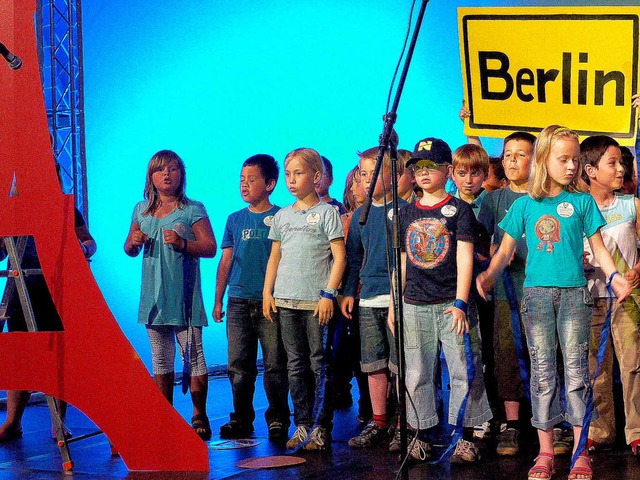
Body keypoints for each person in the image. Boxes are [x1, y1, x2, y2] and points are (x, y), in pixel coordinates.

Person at [477, 125, 632, 480]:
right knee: (543, 374)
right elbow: (505, 250)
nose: (571, 166)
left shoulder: (581, 202)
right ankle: (545, 451)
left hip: (575, 296)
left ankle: (580, 452)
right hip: (537, 297)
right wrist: (489, 275)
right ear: (544, 159)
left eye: (575, 160)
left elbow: (600, 247)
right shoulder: (524, 205)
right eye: (563, 159)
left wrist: (614, 276)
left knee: (576, 374)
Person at [394, 137, 492, 463]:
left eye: (431, 167)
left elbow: (465, 256)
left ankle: (465, 436)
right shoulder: (405, 213)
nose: (423, 173)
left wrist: (462, 302)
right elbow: (404, 261)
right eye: (418, 168)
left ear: (447, 170)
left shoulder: (459, 210)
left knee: (463, 369)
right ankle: (420, 434)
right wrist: (397, 302)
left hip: (451, 303)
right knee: (417, 372)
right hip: (415, 303)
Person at [124, 150, 216, 441]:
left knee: (194, 356)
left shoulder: (192, 209)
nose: (167, 175)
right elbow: (129, 247)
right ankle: (165, 415)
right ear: (151, 176)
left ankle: (199, 414)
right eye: (161, 170)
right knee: (161, 359)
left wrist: (183, 243)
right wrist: (133, 242)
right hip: (153, 298)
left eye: (173, 169)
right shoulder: (141, 210)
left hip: (185, 299)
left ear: (181, 175)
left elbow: (210, 247)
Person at [263, 147, 346, 451]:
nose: (292, 179)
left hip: (315, 303)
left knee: (319, 364)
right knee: (295, 365)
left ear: (316, 176)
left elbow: (339, 257)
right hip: (286, 301)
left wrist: (328, 294)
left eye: (298, 173)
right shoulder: (282, 216)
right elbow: (275, 257)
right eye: (288, 174)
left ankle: (322, 426)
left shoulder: (327, 213)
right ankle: (302, 424)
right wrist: (267, 292)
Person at [0, 207, 96, 442]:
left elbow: (89, 241)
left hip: (56, 288)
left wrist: (82, 249)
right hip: (21, 285)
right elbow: (2, 250)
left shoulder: (64, 208)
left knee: (58, 357)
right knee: (19, 356)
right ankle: (13, 422)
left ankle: (59, 422)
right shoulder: (12, 209)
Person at [213, 154, 290, 440]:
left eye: (252, 180)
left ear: (270, 184)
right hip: (238, 301)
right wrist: (219, 299)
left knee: (274, 364)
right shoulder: (234, 219)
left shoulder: (282, 217)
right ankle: (242, 418)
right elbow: (226, 261)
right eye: (242, 180)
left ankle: (278, 418)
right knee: (239, 365)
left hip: (270, 302)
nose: (244, 185)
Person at [341, 147, 406, 451]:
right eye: (362, 174)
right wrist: (349, 292)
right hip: (368, 298)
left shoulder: (406, 210)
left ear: (393, 174)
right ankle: (379, 420)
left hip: (399, 298)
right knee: (373, 363)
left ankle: (404, 423)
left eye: (374, 172)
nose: (366, 180)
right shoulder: (360, 216)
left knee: (401, 364)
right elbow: (354, 259)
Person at [477, 131, 537, 456]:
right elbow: (482, 245)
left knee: (543, 355)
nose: (513, 160)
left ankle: (550, 422)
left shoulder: (545, 199)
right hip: (505, 292)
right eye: (508, 154)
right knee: (506, 354)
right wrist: (495, 254)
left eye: (521, 154)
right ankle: (511, 425)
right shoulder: (493, 200)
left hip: (541, 290)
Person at [580, 135, 640, 456]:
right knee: (596, 367)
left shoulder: (631, 205)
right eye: (612, 163)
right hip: (592, 298)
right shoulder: (577, 208)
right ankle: (600, 430)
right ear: (590, 170)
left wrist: (637, 270)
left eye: (622, 162)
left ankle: (637, 431)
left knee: (632, 364)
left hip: (627, 298)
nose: (620, 169)